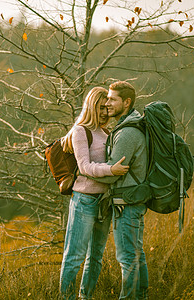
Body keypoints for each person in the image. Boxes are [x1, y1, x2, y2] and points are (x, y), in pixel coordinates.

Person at [59, 86, 129, 300]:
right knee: (74, 256)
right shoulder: (81, 131)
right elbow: (85, 167)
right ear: (90, 107)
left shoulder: (107, 132)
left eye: (106, 108)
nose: (104, 112)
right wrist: (111, 170)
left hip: (104, 202)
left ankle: (85, 297)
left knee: (95, 257)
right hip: (84, 201)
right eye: (100, 108)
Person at [95, 81, 149, 299]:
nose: (107, 103)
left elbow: (112, 172)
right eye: (107, 98)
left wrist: (84, 172)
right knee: (136, 255)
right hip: (132, 201)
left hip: (125, 204)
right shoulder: (131, 125)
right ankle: (142, 297)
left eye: (112, 99)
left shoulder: (127, 133)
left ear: (126, 102)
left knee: (127, 258)